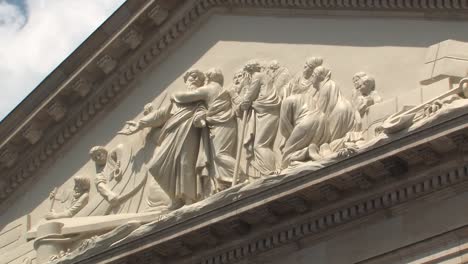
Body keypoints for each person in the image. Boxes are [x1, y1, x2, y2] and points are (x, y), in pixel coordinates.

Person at [123, 69, 206, 209]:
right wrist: (140, 124)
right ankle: (176, 197)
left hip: (188, 129)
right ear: (185, 80)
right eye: (191, 76)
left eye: (198, 77)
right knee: (157, 165)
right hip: (172, 131)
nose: (194, 79)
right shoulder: (177, 99)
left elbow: (202, 109)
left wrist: (201, 116)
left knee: (184, 162)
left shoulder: (199, 96)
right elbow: (161, 115)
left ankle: (188, 199)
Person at [171, 68, 241, 195]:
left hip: (220, 125)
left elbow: (187, 96)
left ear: (208, 78)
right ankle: (224, 184)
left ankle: (239, 178)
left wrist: (174, 96)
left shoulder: (210, 88)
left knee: (220, 155)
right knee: (219, 155)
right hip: (227, 124)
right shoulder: (222, 89)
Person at [240, 60, 281, 177]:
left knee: (260, 145)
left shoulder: (257, 76)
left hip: (265, 110)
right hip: (268, 110)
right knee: (263, 144)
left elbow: (250, 94)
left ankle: (270, 172)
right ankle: (269, 171)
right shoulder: (265, 76)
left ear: (249, 70)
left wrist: (244, 104)